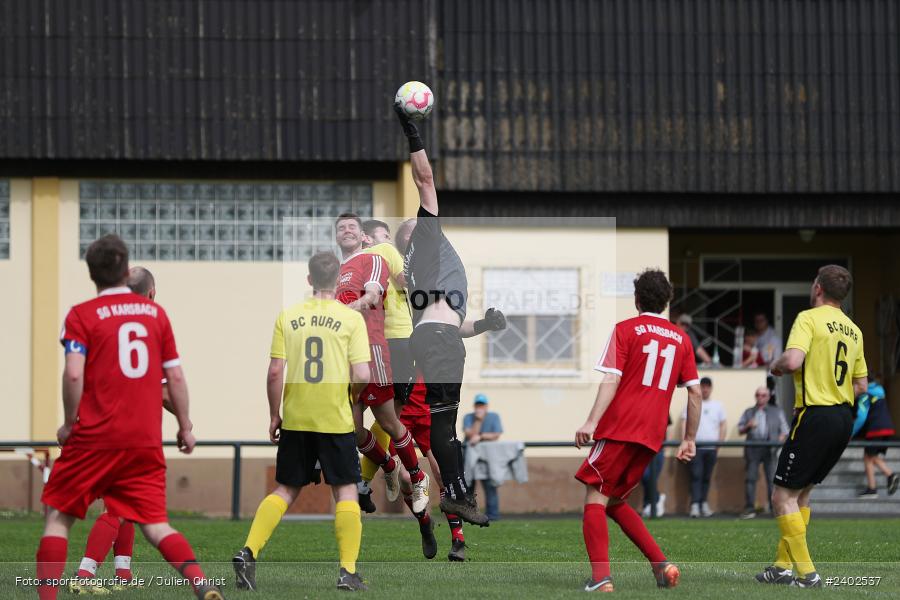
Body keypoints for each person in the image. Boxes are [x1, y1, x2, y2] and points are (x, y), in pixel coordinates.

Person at [36, 235, 224, 600]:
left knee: (57, 517)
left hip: (93, 438)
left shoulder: (80, 315)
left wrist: (68, 423)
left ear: (92, 273)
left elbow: (73, 374)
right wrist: (185, 427)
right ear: (125, 270)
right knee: (156, 525)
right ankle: (202, 585)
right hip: (143, 440)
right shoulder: (156, 315)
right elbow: (177, 378)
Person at [393, 103, 507, 525]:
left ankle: (457, 496)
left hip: (435, 337)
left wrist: (483, 325)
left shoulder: (421, 272)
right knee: (445, 428)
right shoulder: (426, 240)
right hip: (438, 342)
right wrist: (412, 132)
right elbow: (425, 179)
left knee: (443, 425)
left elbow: (446, 322)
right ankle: (458, 496)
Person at [232, 252, 371, 592]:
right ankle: (347, 571)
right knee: (346, 490)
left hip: (296, 417)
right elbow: (363, 373)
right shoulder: (351, 319)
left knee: (286, 489)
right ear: (338, 281)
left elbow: (275, 370)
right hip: (334, 418)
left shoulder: (288, 316)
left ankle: (248, 552)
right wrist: (351, 397)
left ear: (309, 280)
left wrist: (274, 413)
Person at [575, 268, 702, 593]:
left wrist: (591, 421)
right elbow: (695, 391)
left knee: (595, 497)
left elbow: (612, 378)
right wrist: (689, 438)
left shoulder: (626, 329)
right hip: (652, 436)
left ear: (636, 299)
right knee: (615, 501)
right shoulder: (682, 339)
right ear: (666, 301)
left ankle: (601, 578)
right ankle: (662, 566)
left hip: (620, 428)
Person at [758, 265, 868, 587]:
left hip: (815, 414)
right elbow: (861, 384)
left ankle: (808, 575)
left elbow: (793, 361)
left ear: (818, 287)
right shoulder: (855, 330)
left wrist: (775, 366)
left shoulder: (808, 318)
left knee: (781, 497)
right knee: (801, 494)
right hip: (843, 418)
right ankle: (781, 567)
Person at [68, 266, 161, 594]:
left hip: (97, 428)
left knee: (121, 506)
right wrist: (186, 419)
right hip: (128, 433)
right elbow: (165, 386)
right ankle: (84, 576)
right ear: (151, 294)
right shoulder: (149, 325)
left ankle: (122, 575)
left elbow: (77, 374)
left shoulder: (100, 319)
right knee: (121, 507)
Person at [334, 213, 430, 515]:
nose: (346, 231)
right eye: (341, 228)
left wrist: (344, 311)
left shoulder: (375, 256)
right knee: (350, 426)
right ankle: (388, 464)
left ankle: (416, 476)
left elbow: (375, 294)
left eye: (352, 227)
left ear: (364, 236)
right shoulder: (340, 271)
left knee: (388, 419)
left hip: (378, 347)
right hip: (350, 353)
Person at [737, 386, 788, 518]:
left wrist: (779, 440)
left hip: (770, 448)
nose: (760, 397)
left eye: (763, 395)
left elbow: (785, 431)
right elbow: (740, 429)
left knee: (772, 479)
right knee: (750, 478)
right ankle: (750, 508)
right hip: (753, 448)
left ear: (768, 397)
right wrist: (748, 425)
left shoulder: (776, 411)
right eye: (758, 395)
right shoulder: (749, 412)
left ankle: (773, 508)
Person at [682, 377, 726, 517]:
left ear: (711, 388)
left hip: (711, 448)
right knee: (696, 476)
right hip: (696, 447)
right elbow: (684, 422)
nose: (705, 389)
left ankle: (703, 504)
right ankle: (695, 505)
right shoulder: (693, 402)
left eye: (708, 387)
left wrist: (719, 444)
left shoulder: (718, 406)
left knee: (707, 477)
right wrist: (685, 441)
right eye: (703, 386)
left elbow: (722, 425)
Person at [853, 380, 898, 498]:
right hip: (887, 427)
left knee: (868, 457)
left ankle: (886, 478)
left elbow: (861, 417)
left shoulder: (865, 395)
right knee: (871, 456)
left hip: (875, 428)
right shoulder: (879, 391)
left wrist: (850, 434)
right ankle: (874, 487)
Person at [463, 394, 504, 521]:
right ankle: (468, 513)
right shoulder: (469, 417)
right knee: (468, 485)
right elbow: (469, 434)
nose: (479, 408)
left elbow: (496, 435)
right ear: (474, 406)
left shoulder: (494, 416)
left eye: (482, 405)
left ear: (486, 406)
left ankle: (493, 514)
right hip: (470, 456)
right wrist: (478, 420)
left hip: (487, 457)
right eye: (477, 405)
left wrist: (481, 436)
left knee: (490, 485)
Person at [640, 415, 671, 519]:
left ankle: (648, 505)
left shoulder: (662, 404)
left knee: (651, 478)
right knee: (644, 477)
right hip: (642, 447)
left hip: (658, 448)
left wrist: (667, 444)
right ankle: (657, 498)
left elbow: (668, 426)